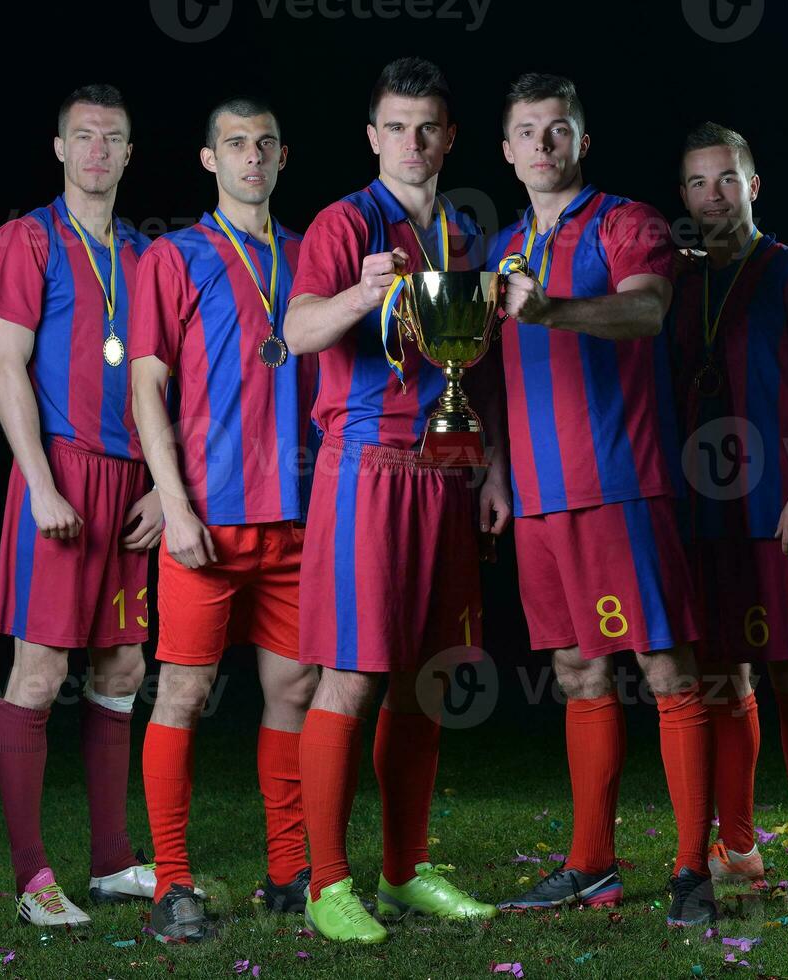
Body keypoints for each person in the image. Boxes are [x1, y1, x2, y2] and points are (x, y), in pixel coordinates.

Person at [282, 57, 509, 944]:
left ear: (448, 137)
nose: (412, 143)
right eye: (395, 128)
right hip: (367, 468)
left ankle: (406, 869)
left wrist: (488, 466)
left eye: (428, 128)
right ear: (372, 136)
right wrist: (356, 294)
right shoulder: (346, 223)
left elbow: (473, 369)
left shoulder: (459, 232)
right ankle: (327, 883)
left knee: (430, 676)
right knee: (355, 670)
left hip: (446, 472)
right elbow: (296, 328)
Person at [487, 73, 715, 927]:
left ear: (583, 141)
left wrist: (547, 308)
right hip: (541, 498)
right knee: (577, 671)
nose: (542, 144)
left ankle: (693, 870)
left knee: (665, 670)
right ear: (506, 150)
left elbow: (646, 312)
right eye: (526, 131)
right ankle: (591, 866)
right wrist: (499, 472)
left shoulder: (627, 222)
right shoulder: (502, 248)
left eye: (558, 129)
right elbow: (499, 374)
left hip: (621, 480)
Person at [128, 96, 320, 941]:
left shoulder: (315, 254)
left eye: (265, 144)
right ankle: (174, 881)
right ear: (210, 160)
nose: (252, 157)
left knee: (295, 690)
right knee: (185, 691)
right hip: (206, 517)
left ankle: (288, 873)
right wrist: (172, 504)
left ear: (283, 158)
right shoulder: (173, 256)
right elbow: (145, 387)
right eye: (235, 144)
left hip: (298, 519)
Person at [0, 83, 161, 928]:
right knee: (40, 671)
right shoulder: (25, 240)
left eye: (112, 138)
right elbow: (6, 366)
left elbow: (170, 380)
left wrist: (166, 486)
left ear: (129, 153)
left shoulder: (143, 254)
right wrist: (42, 482)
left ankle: (111, 863)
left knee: (122, 668)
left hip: (133, 484)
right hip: (59, 476)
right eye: (82, 136)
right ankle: (32, 879)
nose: (97, 150)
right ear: (59, 148)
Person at [672, 123, 788, 900]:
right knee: (717, 677)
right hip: (698, 515)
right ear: (682, 195)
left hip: (777, 509)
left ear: (754, 185)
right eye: (697, 183)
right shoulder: (675, 282)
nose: (713, 195)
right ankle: (740, 847)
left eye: (727, 179)